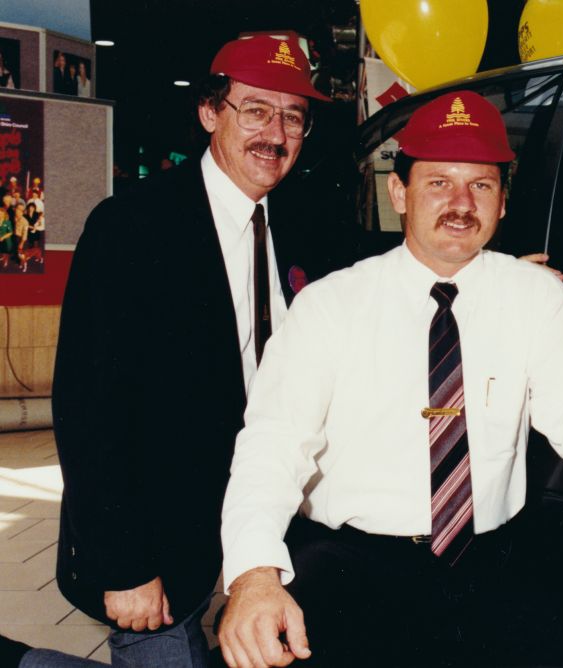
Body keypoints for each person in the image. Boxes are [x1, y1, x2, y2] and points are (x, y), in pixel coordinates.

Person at [217, 90, 563, 668]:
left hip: (490, 565)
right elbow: (272, 446)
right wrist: (254, 577)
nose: (461, 203)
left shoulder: (535, 296)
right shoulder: (329, 306)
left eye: (482, 185)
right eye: (439, 182)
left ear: (503, 202)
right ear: (400, 192)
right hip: (356, 567)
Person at [51, 34, 351, 667]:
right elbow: (89, 410)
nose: (276, 132)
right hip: (161, 548)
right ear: (210, 113)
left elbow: (389, 277)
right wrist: (123, 564)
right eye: (256, 110)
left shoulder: (306, 221)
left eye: (293, 116)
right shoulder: (130, 227)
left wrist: (493, 274)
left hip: (272, 529)